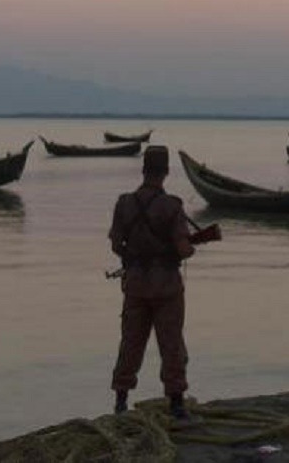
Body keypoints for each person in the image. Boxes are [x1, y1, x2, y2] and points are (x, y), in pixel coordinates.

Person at [108, 145, 196, 418]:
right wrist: (192, 247)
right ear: (166, 172)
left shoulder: (124, 203)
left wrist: (134, 257)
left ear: (143, 169)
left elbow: (115, 243)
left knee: (131, 342)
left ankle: (121, 402)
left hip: (135, 284)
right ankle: (177, 404)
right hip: (166, 285)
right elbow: (183, 249)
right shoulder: (172, 206)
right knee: (171, 344)